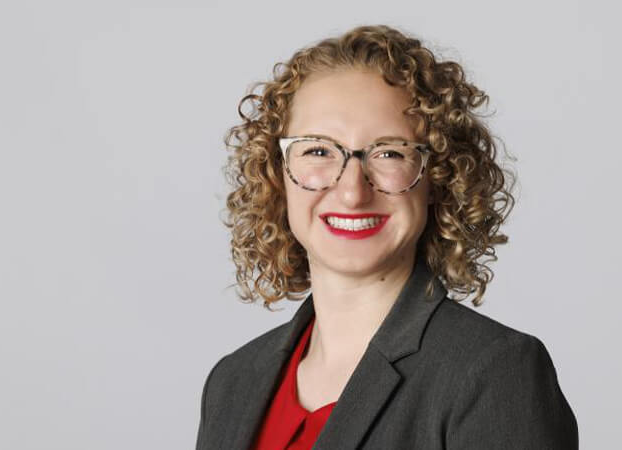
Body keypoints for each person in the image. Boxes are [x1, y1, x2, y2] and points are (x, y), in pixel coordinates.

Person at [196, 25, 578, 450]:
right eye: (318, 150)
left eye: (390, 153)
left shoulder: (494, 372)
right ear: (277, 173)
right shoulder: (232, 382)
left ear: (436, 179)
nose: (352, 191)